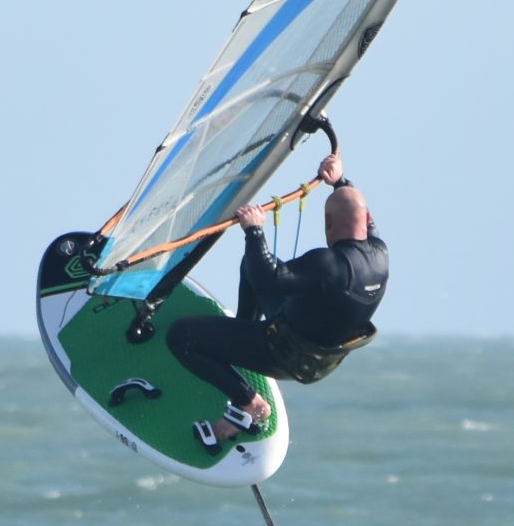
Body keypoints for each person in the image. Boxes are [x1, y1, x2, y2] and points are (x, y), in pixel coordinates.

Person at [165, 149, 388, 450]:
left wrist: (254, 230)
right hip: (316, 349)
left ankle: (250, 405)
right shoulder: (380, 254)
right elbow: (359, 212)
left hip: (284, 353)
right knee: (250, 263)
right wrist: (340, 181)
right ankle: (236, 342)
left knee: (181, 336)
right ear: (368, 219)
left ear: (328, 223)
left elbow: (268, 278)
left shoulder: (328, 264)